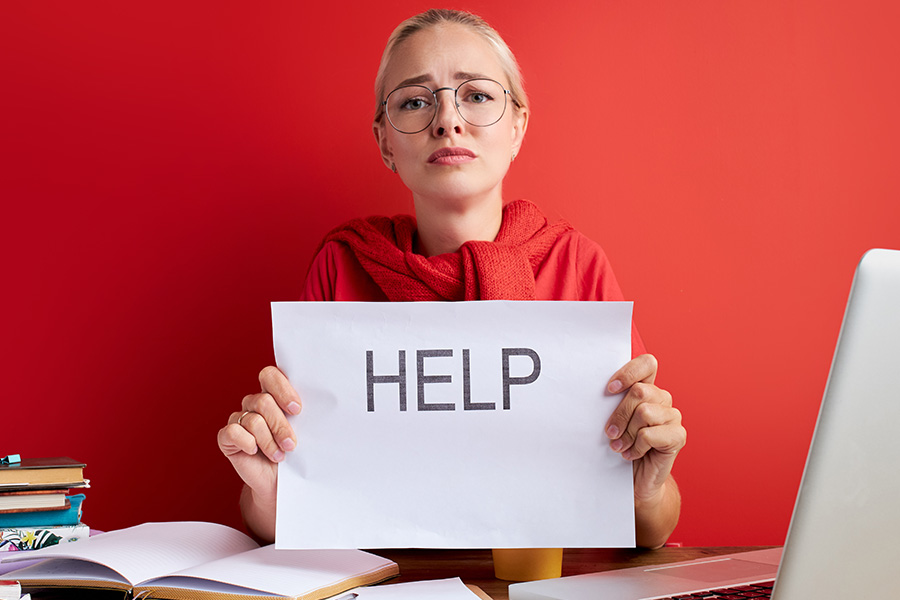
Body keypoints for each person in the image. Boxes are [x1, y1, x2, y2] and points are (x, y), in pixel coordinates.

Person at [217, 8, 686, 550]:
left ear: (518, 126)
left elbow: (653, 526)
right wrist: (270, 487)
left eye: (478, 96)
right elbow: (282, 519)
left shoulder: (576, 263)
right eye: (416, 102)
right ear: (385, 142)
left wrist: (648, 486)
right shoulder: (342, 265)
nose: (447, 120)